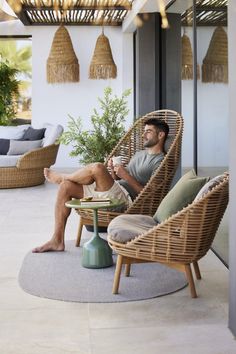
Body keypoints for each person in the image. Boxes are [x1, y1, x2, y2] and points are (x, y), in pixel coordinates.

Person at [32, 118, 169, 253]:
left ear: (161, 135)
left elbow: (150, 194)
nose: (144, 135)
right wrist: (113, 173)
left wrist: (125, 175)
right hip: (113, 189)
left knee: (97, 167)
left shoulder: (160, 161)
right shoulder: (139, 154)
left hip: (126, 199)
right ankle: (57, 240)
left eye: (149, 131)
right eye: (144, 131)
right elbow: (120, 178)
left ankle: (63, 177)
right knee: (65, 187)